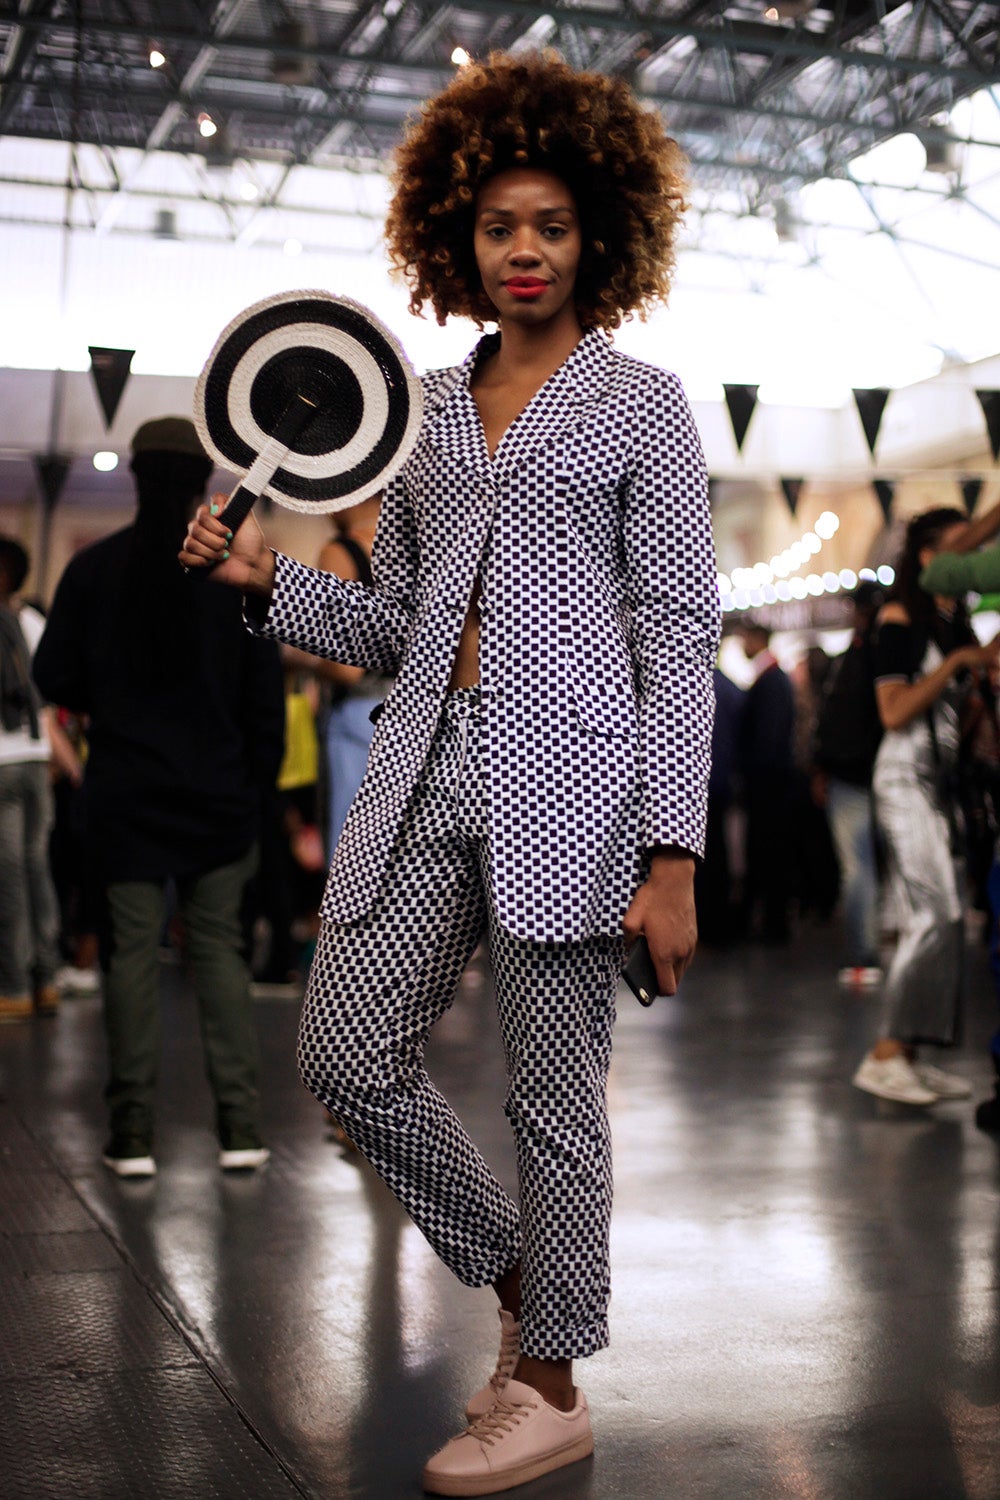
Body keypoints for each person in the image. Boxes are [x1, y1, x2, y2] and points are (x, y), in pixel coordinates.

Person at [180, 50, 719, 1496]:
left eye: (549, 223)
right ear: (455, 240)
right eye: (498, 226)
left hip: (583, 787)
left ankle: (546, 1386)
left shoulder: (644, 404)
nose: (525, 249)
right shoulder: (420, 407)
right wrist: (262, 573)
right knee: (344, 1051)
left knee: (555, 1097)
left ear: (598, 232)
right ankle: (530, 1286)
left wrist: (674, 860)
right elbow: (399, 627)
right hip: (425, 764)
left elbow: (676, 635)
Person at [34, 418, 285, 1177]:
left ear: (137, 475)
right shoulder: (229, 578)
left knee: (131, 960)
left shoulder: (96, 570)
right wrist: (254, 789)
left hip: (126, 794)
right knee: (219, 956)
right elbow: (264, 700)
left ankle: (131, 1136)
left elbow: (56, 680)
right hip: (217, 796)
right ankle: (241, 1130)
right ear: (198, 476)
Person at [852, 508, 1000, 1107]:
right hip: (902, 776)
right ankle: (886, 1053)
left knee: (943, 916)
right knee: (934, 914)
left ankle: (909, 1053)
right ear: (927, 558)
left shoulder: (952, 622)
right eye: (956, 546)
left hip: (937, 783)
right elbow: (893, 711)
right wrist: (958, 665)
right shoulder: (900, 617)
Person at [0, 537, 62, 1021]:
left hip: (2, 762)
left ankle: (15, 985)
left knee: (10, 877)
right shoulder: (35, 623)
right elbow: (52, 695)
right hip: (37, 759)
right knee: (38, 870)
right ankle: (47, 979)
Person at [813, 581, 886, 986]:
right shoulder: (872, 655)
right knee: (868, 868)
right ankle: (871, 948)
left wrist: (822, 767)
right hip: (869, 771)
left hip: (854, 774)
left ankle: (864, 952)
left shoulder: (855, 659)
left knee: (858, 869)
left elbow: (835, 722)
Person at [738, 619, 796, 944]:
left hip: (768, 787)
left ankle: (773, 925)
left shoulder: (771, 681)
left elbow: (768, 740)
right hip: (770, 785)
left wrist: (754, 778)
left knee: (769, 853)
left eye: (745, 637)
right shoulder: (772, 678)